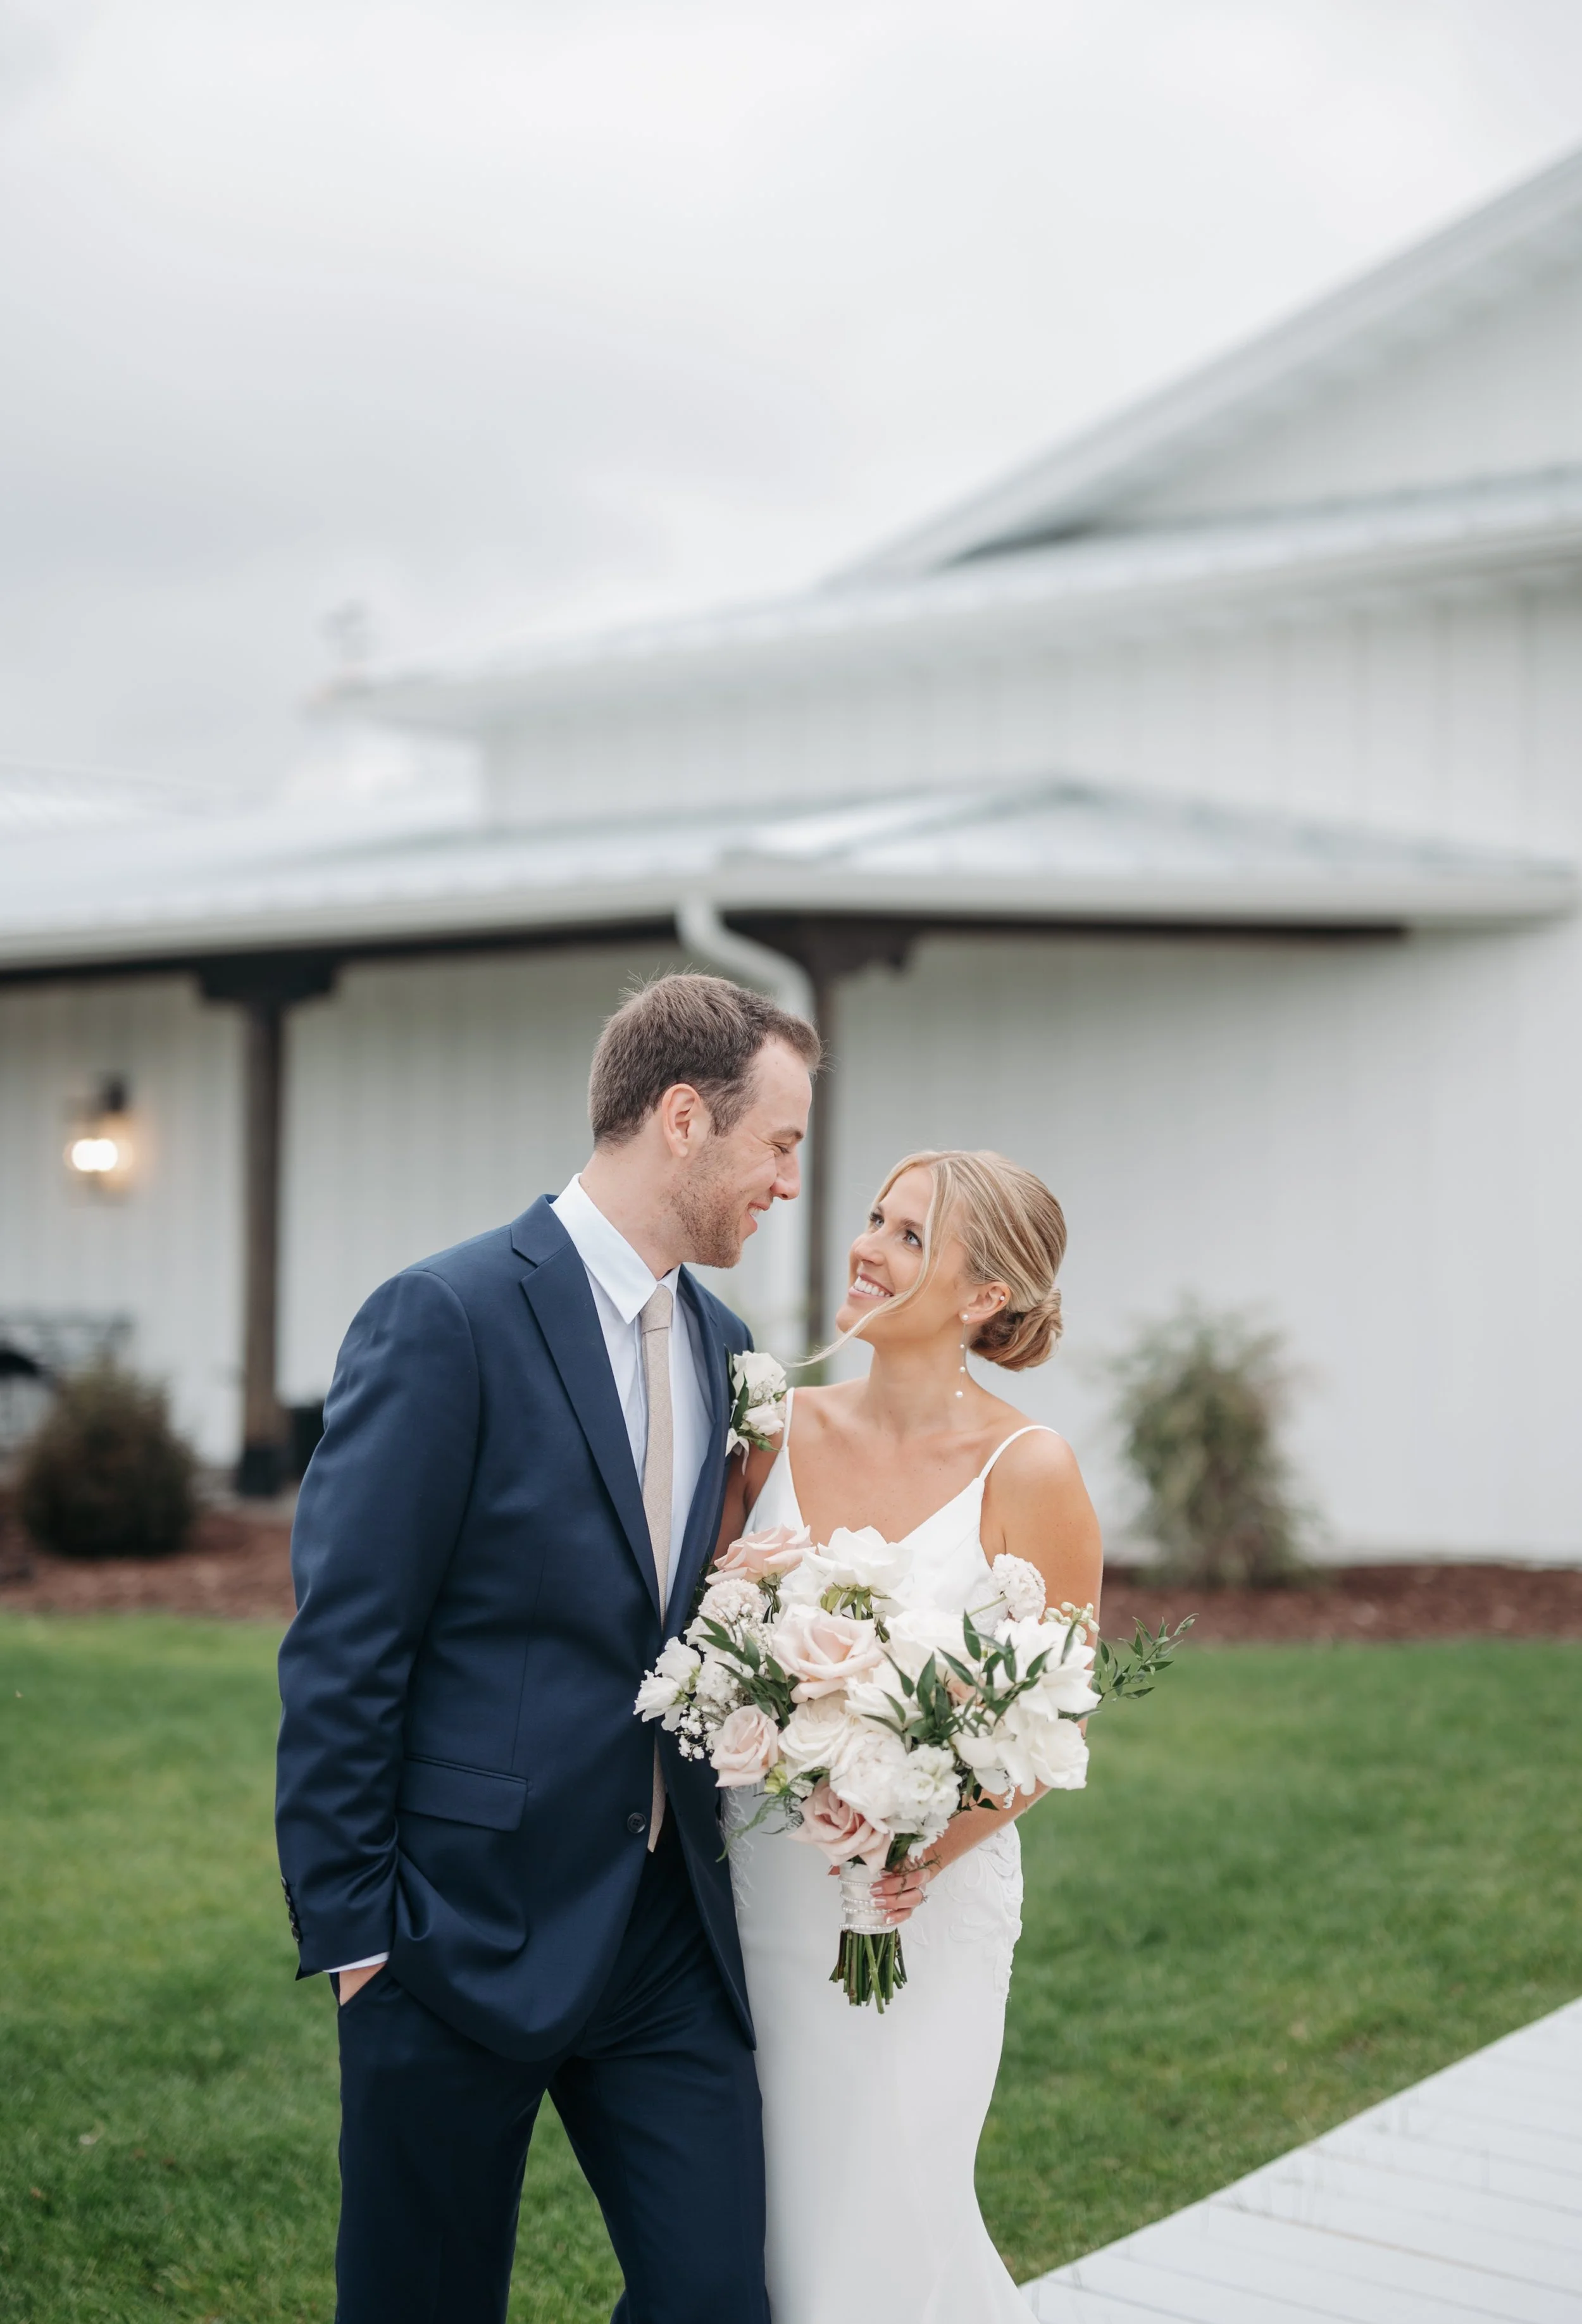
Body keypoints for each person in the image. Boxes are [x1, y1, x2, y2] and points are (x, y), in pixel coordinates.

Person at [275, 971, 820, 2324]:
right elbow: (346, 1644)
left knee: (716, 2297)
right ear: (684, 1118)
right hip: (451, 1929)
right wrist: (359, 1939)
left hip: (663, 1932)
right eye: (779, 1142)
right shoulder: (446, 1314)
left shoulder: (726, 1344)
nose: (789, 1181)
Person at [722, 1147, 1103, 2323]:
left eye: (908, 1237)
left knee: (893, 2210)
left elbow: (1056, 1712)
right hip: (751, 1891)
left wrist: (915, 1854)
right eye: (875, 1220)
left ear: (987, 1295)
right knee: (766, 2219)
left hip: (914, 1912)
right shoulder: (772, 1426)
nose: (867, 1249)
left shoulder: (1028, 1468)